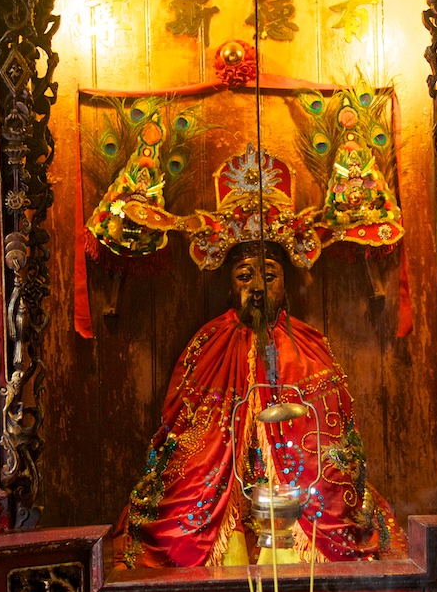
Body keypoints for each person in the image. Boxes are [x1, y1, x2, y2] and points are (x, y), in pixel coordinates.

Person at [116, 241, 406, 568]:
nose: (256, 287)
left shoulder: (307, 346)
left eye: (269, 276)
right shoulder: (207, 343)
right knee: (188, 496)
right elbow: (185, 429)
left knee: (325, 497)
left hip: (292, 496)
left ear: (285, 283)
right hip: (225, 493)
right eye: (244, 276)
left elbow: (327, 437)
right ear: (229, 284)